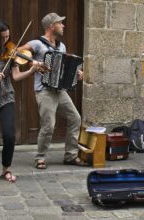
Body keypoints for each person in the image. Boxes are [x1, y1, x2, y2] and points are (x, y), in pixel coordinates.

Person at [0, 19, 42, 183]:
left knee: (10, 136)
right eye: (2, 38)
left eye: (8, 37)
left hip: (5, 96)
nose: (6, 41)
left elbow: (16, 77)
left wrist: (31, 70)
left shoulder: (11, 52)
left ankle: (6, 169)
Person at [19, 12, 87, 169]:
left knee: (75, 118)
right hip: (44, 91)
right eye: (60, 23)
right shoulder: (37, 44)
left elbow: (65, 67)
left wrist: (76, 73)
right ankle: (40, 157)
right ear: (51, 26)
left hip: (59, 90)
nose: (63, 26)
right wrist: (34, 63)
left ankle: (71, 155)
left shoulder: (61, 46)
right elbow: (19, 52)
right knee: (48, 125)